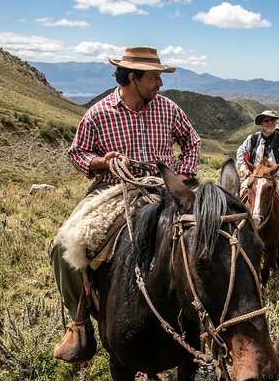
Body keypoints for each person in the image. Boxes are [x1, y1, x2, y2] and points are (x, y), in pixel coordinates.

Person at [51, 46, 201, 362]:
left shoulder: (169, 109)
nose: (160, 84)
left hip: (161, 187)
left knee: (206, 234)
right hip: (111, 190)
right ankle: (80, 326)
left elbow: (191, 142)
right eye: (154, 78)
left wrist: (182, 176)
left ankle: (208, 320)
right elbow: (77, 153)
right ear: (132, 77)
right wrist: (102, 163)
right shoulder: (99, 112)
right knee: (61, 249)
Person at [236, 110, 279, 234]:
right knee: (236, 198)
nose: (270, 123)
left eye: (272, 120)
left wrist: (276, 172)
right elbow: (240, 152)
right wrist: (243, 168)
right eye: (266, 120)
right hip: (254, 176)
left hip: (275, 177)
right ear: (262, 124)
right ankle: (235, 228)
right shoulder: (252, 138)